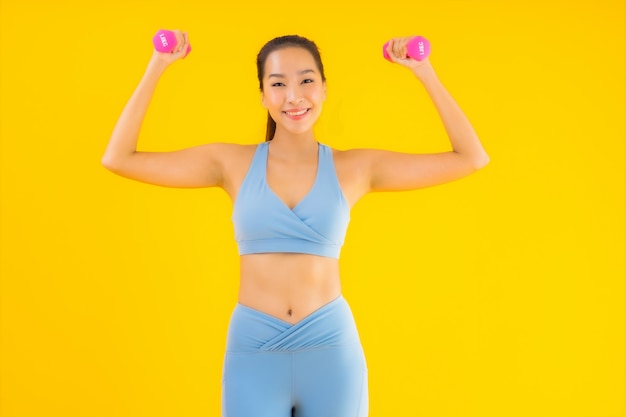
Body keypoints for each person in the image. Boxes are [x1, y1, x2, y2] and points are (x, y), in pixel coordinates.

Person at [102, 31, 489, 417]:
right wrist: (158, 64)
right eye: (278, 84)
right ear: (263, 96)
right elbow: (118, 158)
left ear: (323, 88)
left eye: (306, 80)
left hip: (331, 350)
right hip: (253, 350)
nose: (294, 96)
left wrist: (424, 71)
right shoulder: (230, 164)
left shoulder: (354, 168)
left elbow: (470, 158)